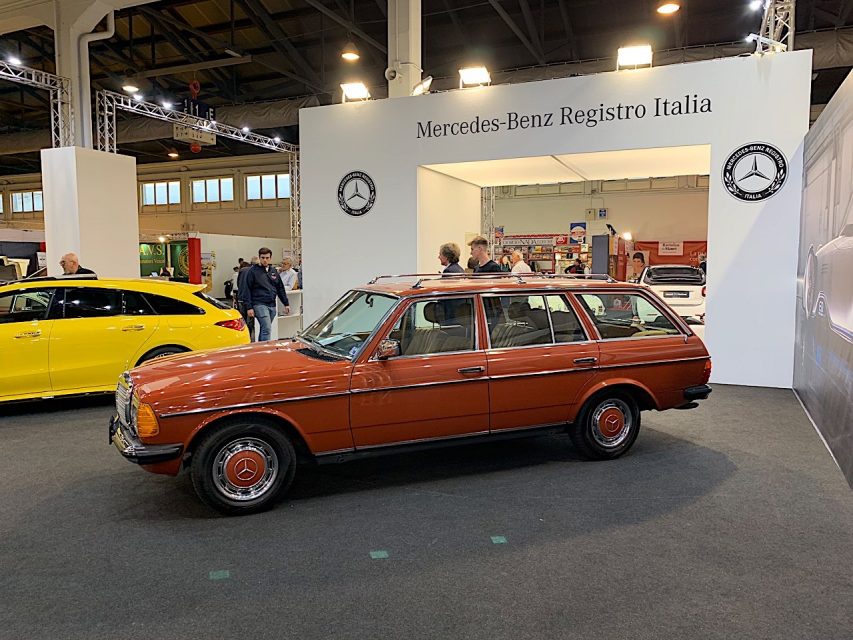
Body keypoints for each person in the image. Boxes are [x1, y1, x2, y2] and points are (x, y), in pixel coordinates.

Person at [240, 247, 290, 342]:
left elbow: (280, 288)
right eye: (263, 257)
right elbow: (246, 289)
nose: (265, 260)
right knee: (266, 329)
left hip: (272, 305)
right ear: (259, 258)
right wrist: (249, 307)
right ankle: (265, 350)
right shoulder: (252, 271)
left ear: (270, 258)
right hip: (259, 303)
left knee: (265, 329)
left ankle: (260, 348)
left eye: (267, 258)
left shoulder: (273, 271)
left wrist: (286, 303)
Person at [236, 258, 256, 340]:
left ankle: (243, 338)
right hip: (250, 299)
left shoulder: (242, 270)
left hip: (241, 297)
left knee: (242, 321)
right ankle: (250, 338)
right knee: (250, 321)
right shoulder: (255, 272)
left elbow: (238, 284)